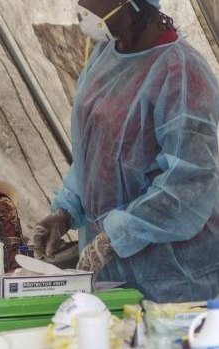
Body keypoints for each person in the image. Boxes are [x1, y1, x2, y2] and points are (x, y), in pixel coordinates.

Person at [34, 0, 219, 302]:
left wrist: (122, 234)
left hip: (174, 277)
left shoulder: (181, 72)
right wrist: (67, 209)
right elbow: (95, 153)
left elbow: (189, 182)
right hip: (112, 273)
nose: (81, 6)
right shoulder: (105, 56)